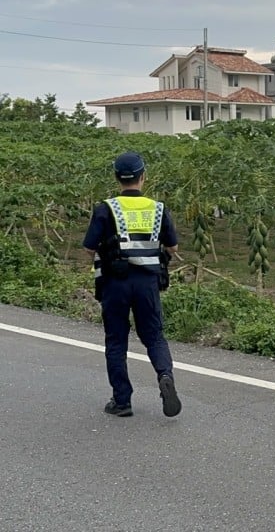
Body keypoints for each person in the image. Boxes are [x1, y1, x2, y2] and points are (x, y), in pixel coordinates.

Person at [83, 151, 182, 418]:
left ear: (117, 178)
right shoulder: (158, 208)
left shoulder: (105, 209)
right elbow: (172, 247)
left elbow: (89, 248)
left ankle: (122, 401)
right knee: (154, 336)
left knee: (116, 340)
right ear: (143, 177)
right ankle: (165, 375)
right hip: (147, 283)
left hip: (115, 284)